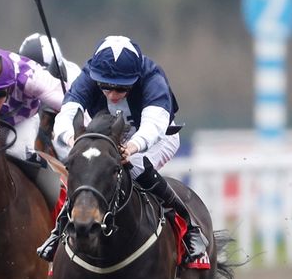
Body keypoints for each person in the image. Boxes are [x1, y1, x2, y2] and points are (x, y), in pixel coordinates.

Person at [36, 35, 208, 263]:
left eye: (121, 88)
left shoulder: (152, 77)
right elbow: (67, 114)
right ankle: (60, 229)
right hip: (109, 136)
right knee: (88, 166)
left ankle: (190, 226)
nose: (112, 94)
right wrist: (72, 140)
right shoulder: (89, 75)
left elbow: (153, 126)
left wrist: (132, 147)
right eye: (106, 87)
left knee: (134, 166)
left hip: (157, 137)